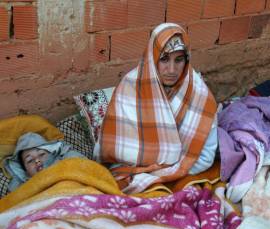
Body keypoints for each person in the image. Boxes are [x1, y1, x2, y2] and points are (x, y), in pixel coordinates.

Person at [96, 23, 218, 193]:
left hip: (181, 172)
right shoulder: (130, 87)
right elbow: (113, 151)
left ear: (187, 59)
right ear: (152, 57)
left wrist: (167, 175)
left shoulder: (199, 94)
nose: (172, 69)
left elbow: (205, 157)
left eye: (179, 60)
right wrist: (147, 172)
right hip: (131, 171)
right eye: (164, 59)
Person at [4, 132, 85, 191]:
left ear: (52, 154)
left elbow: (85, 167)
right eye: (30, 160)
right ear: (26, 171)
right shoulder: (24, 188)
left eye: (41, 154)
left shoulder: (66, 160)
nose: (37, 160)